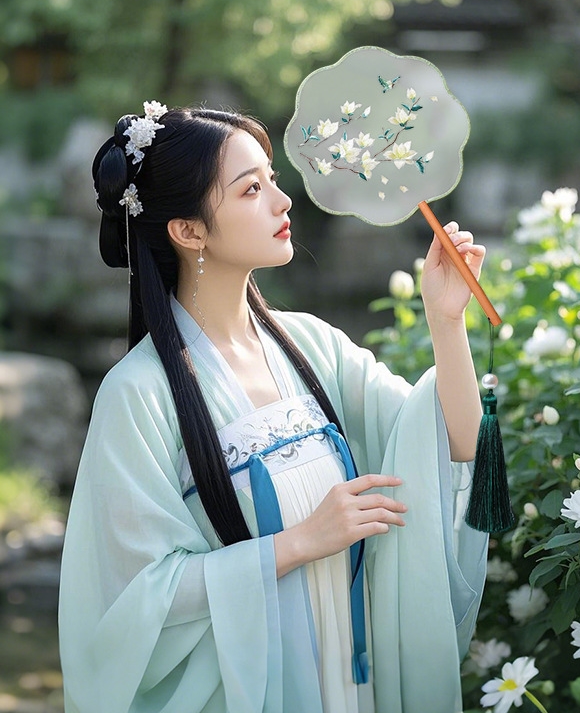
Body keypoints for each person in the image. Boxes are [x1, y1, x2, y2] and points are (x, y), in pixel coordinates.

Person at [58, 103, 489, 713]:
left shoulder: (312, 346)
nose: (283, 202)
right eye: (251, 189)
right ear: (189, 230)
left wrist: (447, 324)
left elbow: (454, 449)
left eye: (274, 181)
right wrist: (300, 541)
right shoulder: (139, 394)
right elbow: (134, 596)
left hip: (350, 679)